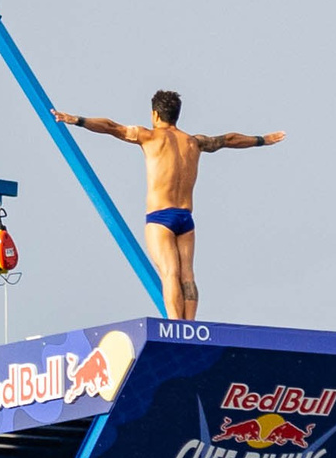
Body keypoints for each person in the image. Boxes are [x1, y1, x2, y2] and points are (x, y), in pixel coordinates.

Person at [52, 91, 283, 321]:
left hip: (160, 217)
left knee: (169, 272)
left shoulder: (149, 137)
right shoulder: (194, 142)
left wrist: (77, 120)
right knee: (187, 275)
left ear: (155, 114)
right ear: (176, 115)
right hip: (185, 217)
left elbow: (112, 127)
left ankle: (175, 325)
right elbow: (229, 139)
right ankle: (189, 325)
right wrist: (262, 140)